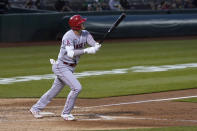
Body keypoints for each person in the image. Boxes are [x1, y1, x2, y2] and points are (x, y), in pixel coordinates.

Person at [30, 15, 101, 121]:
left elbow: (92, 43)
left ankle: (35, 108)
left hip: (70, 68)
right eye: (81, 23)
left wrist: (96, 45)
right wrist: (87, 50)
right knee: (77, 88)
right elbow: (71, 53)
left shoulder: (85, 33)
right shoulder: (68, 36)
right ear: (76, 26)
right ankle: (66, 113)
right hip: (61, 66)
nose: (83, 24)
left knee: (54, 90)